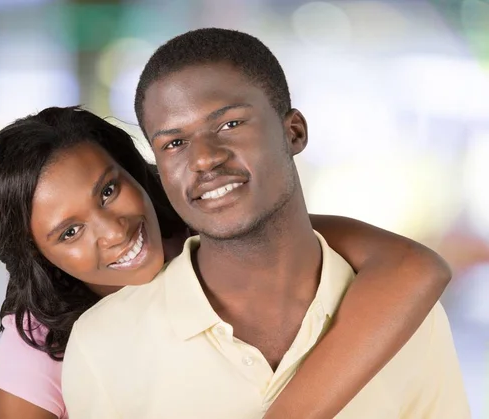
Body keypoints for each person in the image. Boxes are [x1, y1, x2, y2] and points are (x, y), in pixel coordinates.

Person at [61, 29, 470, 419]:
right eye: (174, 143)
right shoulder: (103, 344)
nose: (204, 159)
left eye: (229, 124)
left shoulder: (409, 315)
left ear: (293, 132)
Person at [0, 107, 450, 419]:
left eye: (107, 191)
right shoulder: (39, 343)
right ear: (38, 254)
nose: (114, 231)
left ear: (135, 171)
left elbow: (416, 268)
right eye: (69, 232)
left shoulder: (227, 232)